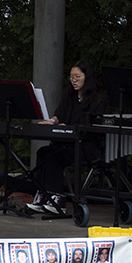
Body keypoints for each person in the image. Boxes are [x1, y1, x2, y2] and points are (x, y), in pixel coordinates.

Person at [29, 59, 106, 215]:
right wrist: (52, 121)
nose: (74, 80)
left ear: (87, 77)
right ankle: (43, 194)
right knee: (43, 152)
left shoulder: (98, 100)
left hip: (85, 146)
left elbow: (94, 128)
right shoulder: (69, 96)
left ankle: (58, 197)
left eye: (77, 76)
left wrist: (69, 128)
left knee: (54, 156)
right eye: (71, 77)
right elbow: (59, 114)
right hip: (66, 143)